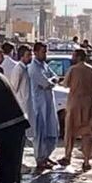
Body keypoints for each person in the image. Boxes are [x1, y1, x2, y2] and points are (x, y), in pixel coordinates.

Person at [61, 48, 92, 171]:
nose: (72, 58)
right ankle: (86, 161)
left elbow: (65, 84)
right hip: (88, 104)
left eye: (73, 56)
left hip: (74, 103)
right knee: (87, 133)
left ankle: (67, 156)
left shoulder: (73, 70)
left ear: (78, 57)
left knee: (69, 131)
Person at [28, 42, 60, 171]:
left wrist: (51, 81)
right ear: (35, 52)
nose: (45, 54)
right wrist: (51, 81)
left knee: (51, 130)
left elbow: (55, 77)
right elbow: (46, 83)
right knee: (40, 133)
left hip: (48, 103)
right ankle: (40, 159)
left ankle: (46, 156)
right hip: (39, 106)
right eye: (43, 52)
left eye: (45, 52)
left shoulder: (44, 65)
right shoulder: (33, 68)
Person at [10, 44, 35, 154]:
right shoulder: (18, 69)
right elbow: (14, 88)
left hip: (27, 104)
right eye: (28, 55)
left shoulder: (25, 69)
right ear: (21, 56)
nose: (31, 57)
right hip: (21, 105)